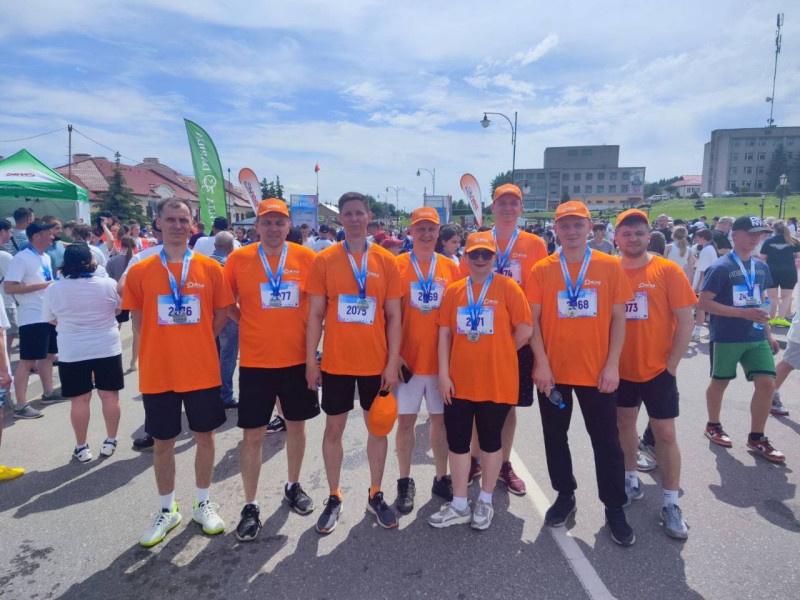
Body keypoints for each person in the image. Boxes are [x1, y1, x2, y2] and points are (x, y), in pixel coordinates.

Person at [122, 197, 234, 547]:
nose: (177, 225)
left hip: (201, 370)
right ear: (158, 223)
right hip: (159, 371)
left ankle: (203, 503)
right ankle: (167, 509)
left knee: (205, 437)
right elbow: (137, 320)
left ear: (192, 225)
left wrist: (198, 340)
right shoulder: (140, 270)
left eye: (183, 220)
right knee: (163, 443)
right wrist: (161, 344)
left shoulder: (210, 268)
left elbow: (221, 314)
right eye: (170, 219)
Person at [526, 201, 635, 546]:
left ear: (590, 227)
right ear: (555, 229)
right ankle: (565, 494)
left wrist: (613, 364)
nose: (571, 231)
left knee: (606, 442)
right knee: (555, 437)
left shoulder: (609, 265)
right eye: (565, 225)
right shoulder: (542, 269)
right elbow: (533, 321)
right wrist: (541, 363)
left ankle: (614, 507)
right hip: (553, 375)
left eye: (578, 225)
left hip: (598, 374)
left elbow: (619, 319)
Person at [306, 191, 402, 534]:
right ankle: (334, 496)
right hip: (336, 364)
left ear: (369, 216)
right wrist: (311, 361)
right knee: (334, 431)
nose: (354, 218)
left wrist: (392, 362)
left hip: (376, 365)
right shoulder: (325, 260)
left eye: (360, 213)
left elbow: (394, 316)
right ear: (340, 218)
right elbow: (315, 315)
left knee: (378, 429)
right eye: (348, 213)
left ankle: (376, 493)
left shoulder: (386, 261)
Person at [225, 198, 319, 541]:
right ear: (257, 226)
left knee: (297, 428)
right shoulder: (238, 259)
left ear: (288, 225)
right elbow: (226, 301)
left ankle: (293, 485)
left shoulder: (306, 257)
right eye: (267, 222)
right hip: (256, 363)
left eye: (280, 222)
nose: (274, 228)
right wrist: (247, 322)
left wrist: (313, 358)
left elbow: (319, 305)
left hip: (296, 361)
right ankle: (250, 505)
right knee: (253, 436)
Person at [430, 232, 532, 530]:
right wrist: (443, 374)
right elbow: (444, 334)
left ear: (494, 258)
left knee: (490, 442)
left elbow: (525, 329)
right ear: (465, 257)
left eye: (486, 254)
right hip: (458, 382)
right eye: (474, 254)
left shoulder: (508, 287)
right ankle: (460, 503)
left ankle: (485, 501)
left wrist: (501, 352)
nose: (480, 259)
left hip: (496, 381)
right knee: (458, 443)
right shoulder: (454, 291)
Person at [460, 183, 547, 496]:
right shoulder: (479, 239)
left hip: (517, 338)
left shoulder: (535, 244)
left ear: (521, 208)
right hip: (477, 333)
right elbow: (462, 283)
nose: (508, 208)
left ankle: (504, 463)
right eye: (502, 202)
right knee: (474, 400)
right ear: (492, 207)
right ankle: (474, 459)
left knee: (508, 405)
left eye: (514, 203)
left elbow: (539, 293)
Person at [614, 210, 695, 539]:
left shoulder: (667, 270)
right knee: (624, 427)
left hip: (658, 370)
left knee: (665, 434)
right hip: (620, 370)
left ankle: (671, 503)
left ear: (650, 236)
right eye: (626, 233)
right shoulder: (609, 270)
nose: (633, 238)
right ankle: (630, 480)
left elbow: (687, 320)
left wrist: (672, 364)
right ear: (617, 238)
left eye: (639, 232)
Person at [698, 215, 785, 463]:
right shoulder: (721, 267)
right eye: (751, 233)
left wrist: (768, 333)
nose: (756, 238)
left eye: (760, 234)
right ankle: (713, 425)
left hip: (756, 336)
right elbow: (704, 303)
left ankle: (757, 437)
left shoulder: (761, 267)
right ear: (735, 235)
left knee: (767, 384)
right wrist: (742, 313)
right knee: (720, 382)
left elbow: (761, 301)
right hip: (727, 336)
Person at [393, 208, 461, 514]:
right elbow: (387, 315)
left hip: (440, 363)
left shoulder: (450, 267)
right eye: (420, 228)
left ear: (438, 233)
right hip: (407, 363)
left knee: (440, 422)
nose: (426, 233)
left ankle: (441, 477)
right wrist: (393, 356)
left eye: (431, 228)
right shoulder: (397, 266)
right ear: (410, 231)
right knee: (405, 422)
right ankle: (404, 480)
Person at [42, 244, 124, 463]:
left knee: (79, 400)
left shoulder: (54, 289)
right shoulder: (108, 284)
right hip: (106, 346)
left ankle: (81, 447)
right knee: (109, 395)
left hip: (72, 349)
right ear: (90, 261)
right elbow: (118, 310)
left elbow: (50, 319)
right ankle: (111, 440)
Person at [4, 219, 64, 419]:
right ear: (36, 236)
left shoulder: (44, 256)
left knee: (48, 356)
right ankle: (21, 405)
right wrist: (44, 285)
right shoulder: (22, 258)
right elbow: (9, 287)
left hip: (47, 315)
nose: (52, 236)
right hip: (31, 316)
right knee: (28, 360)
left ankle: (49, 393)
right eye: (49, 233)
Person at [209, 232, 239, 409]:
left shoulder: (203, 263)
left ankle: (211, 392)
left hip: (207, 315)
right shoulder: (229, 265)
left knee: (212, 356)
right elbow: (231, 297)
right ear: (231, 247)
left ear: (215, 246)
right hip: (228, 316)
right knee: (227, 357)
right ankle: (226, 395)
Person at [760, 220, 800, 327]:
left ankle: (771, 318)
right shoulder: (793, 241)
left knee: (772, 297)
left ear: (774, 229)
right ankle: (781, 318)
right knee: (786, 297)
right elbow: (798, 256)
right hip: (789, 271)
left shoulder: (768, 241)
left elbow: (763, 257)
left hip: (772, 270)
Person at [691, 228, 717, 341]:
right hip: (708, 283)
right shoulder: (711, 249)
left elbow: (703, 270)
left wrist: (698, 286)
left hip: (703, 284)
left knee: (699, 309)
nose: (697, 239)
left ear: (702, 238)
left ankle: (696, 334)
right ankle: (711, 332)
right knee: (707, 309)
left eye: (698, 237)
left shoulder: (706, 250)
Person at [0, 220, 19, 353]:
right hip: (5, 304)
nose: (11, 235)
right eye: (10, 232)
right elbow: (14, 281)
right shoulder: (5, 256)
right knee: (6, 339)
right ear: (3, 232)